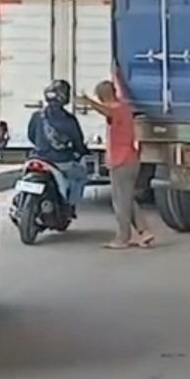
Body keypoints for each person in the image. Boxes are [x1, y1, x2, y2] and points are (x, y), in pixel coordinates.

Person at [80, 69, 154, 249]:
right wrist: (117, 75)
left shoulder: (116, 109)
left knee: (120, 201)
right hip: (129, 159)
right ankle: (144, 232)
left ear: (102, 96)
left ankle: (123, 238)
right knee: (127, 198)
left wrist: (88, 102)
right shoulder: (124, 106)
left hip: (122, 161)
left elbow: (106, 110)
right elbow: (113, 99)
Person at [27, 79, 89, 219]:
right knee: (80, 176)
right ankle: (69, 206)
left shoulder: (37, 115)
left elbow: (31, 136)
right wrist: (82, 152)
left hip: (38, 158)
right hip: (61, 162)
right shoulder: (69, 120)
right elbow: (78, 143)